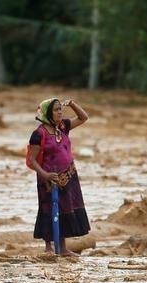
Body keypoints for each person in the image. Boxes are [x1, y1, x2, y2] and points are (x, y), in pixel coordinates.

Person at [28, 98, 91, 256]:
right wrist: (45, 175)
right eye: (56, 110)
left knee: (64, 209)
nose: (59, 112)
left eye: (60, 109)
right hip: (49, 178)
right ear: (47, 113)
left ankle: (62, 248)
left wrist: (72, 104)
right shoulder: (38, 134)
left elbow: (84, 118)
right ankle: (49, 247)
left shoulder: (63, 127)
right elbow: (32, 159)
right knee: (49, 208)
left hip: (68, 176)